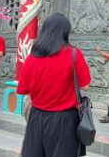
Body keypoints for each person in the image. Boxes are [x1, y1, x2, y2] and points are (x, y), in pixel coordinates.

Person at [17, 13, 91, 157]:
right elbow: (85, 85)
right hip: (64, 119)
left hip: (36, 116)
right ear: (65, 32)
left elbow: (23, 89)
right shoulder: (73, 54)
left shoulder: (32, 56)